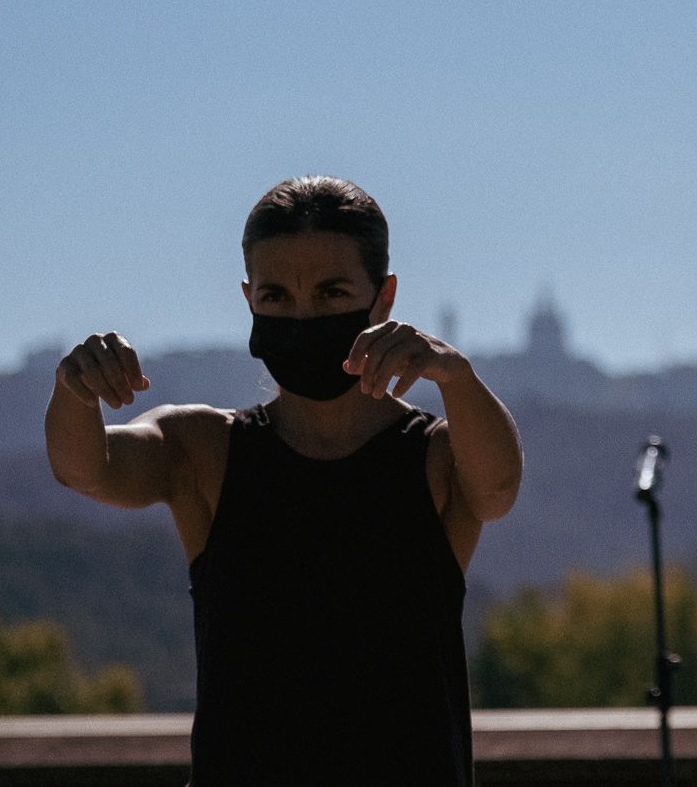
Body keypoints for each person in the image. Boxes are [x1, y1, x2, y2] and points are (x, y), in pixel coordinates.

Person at [45, 175, 524, 787]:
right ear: (249, 299)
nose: (303, 316)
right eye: (276, 296)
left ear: (384, 298)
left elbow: (499, 488)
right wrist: (74, 390)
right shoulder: (207, 450)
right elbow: (86, 467)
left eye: (331, 293)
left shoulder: (432, 457)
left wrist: (456, 377)